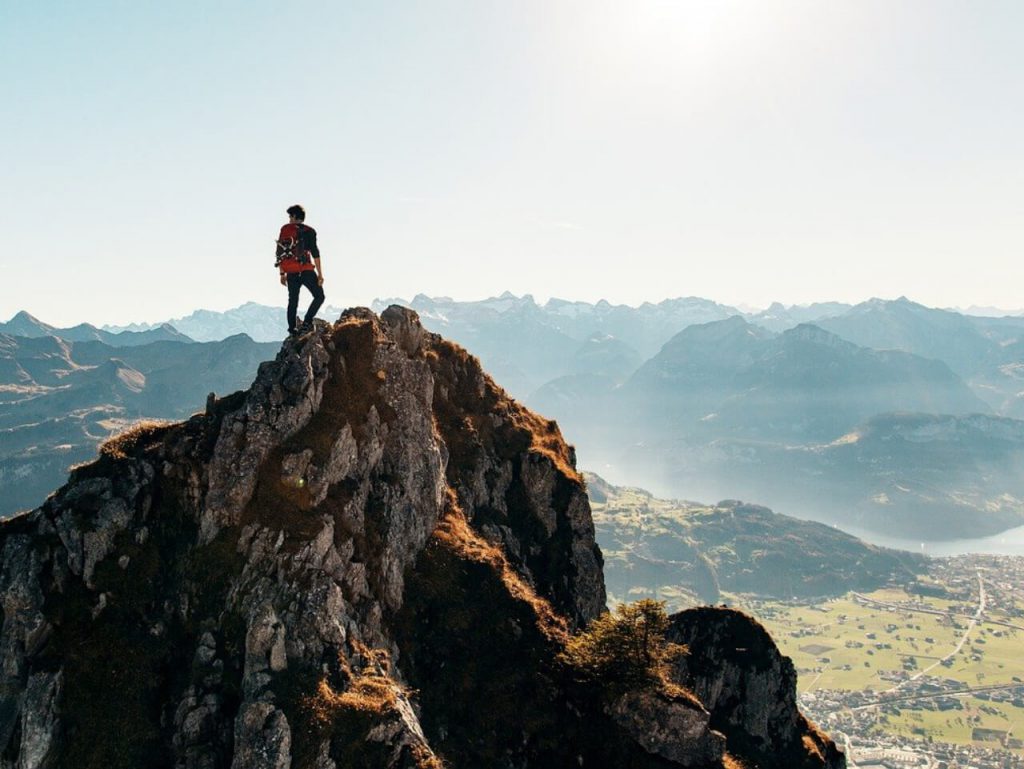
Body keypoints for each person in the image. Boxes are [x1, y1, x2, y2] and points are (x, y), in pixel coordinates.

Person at [276, 204, 325, 335]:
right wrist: (320, 274)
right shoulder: (309, 231)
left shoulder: (285, 230)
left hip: (291, 272)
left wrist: (282, 273)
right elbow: (315, 253)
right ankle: (306, 323)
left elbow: (280, 252)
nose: (289, 219)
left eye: (290, 216)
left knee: (293, 301)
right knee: (319, 296)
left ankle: (292, 329)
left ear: (294, 216)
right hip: (306, 270)